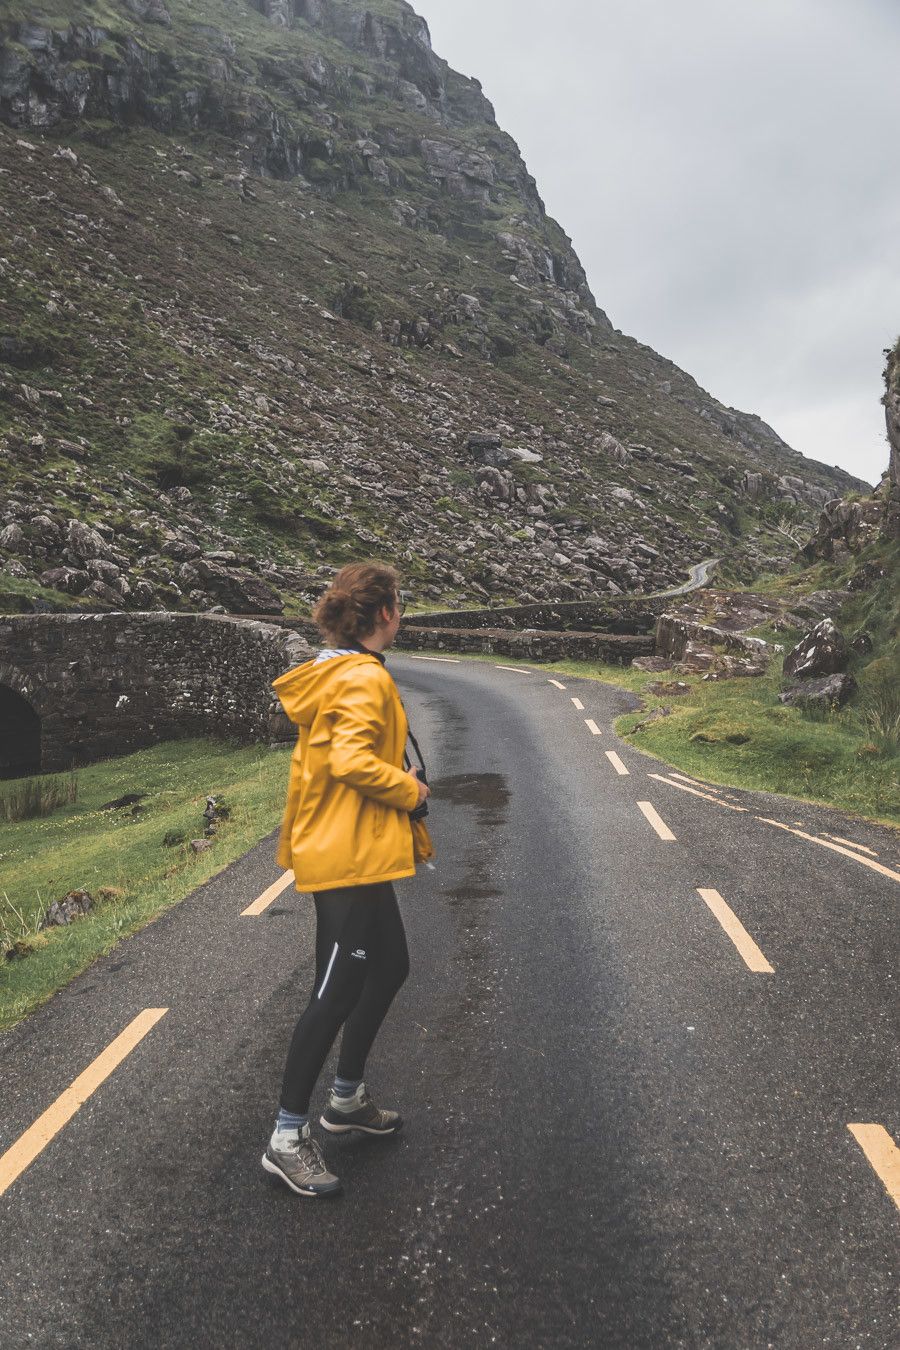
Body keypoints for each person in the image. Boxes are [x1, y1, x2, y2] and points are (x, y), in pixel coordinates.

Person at [262, 562, 434, 1197]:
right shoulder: (360, 676)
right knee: (333, 992)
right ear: (383, 612)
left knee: (388, 967)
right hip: (346, 857)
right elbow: (350, 760)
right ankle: (285, 1138)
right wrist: (410, 790)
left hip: (357, 851)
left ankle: (347, 1098)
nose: (401, 614)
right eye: (398, 604)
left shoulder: (338, 669)